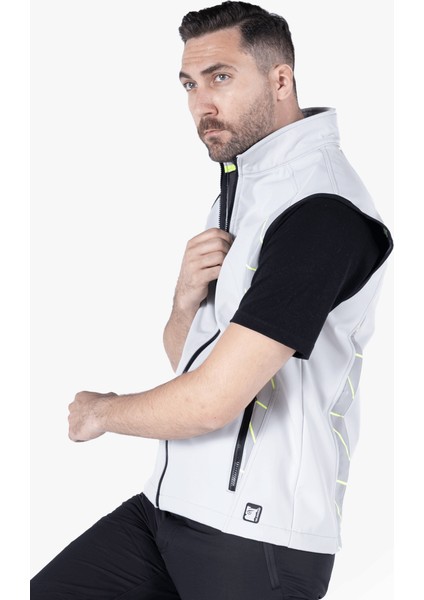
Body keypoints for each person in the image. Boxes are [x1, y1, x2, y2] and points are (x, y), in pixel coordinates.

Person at [31, 1, 393, 598]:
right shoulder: (245, 191)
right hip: (171, 505)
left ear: (281, 80)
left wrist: (104, 412)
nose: (202, 103)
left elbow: (213, 400)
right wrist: (183, 303)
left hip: (257, 536)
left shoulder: (320, 212)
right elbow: (190, 360)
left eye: (220, 77)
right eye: (189, 84)